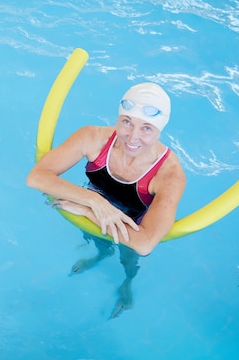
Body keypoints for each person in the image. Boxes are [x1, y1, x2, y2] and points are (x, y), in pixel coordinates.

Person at [26, 82, 186, 317]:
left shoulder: (170, 175)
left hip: (133, 225)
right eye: (127, 122)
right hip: (89, 203)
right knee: (94, 238)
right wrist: (94, 202)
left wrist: (89, 210)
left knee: (129, 260)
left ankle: (127, 285)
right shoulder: (93, 137)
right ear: (118, 119)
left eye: (147, 128)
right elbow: (36, 177)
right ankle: (102, 254)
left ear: (159, 131)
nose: (133, 136)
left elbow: (144, 243)